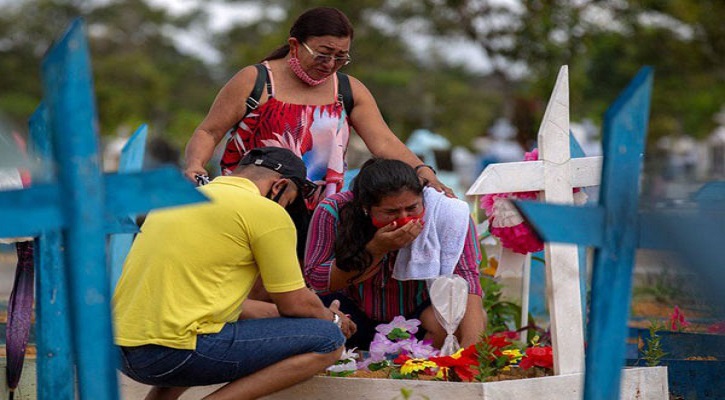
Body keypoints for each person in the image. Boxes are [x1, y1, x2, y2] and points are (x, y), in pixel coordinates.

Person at [113, 147, 356, 400]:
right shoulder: (264, 211)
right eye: (289, 201)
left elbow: (241, 308)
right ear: (279, 186)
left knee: (196, 327)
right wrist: (332, 320)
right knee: (328, 340)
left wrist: (316, 316)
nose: (285, 208)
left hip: (121, 351)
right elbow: (294, 303)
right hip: (173, 354)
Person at [183, 6, 452, 206]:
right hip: (250, 207)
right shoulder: (255, 81)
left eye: (340, 57)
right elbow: (209, 132)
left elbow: (383, 141)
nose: (330, 64)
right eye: (323, 55)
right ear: (294, 45)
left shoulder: (347, 90)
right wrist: (195, 165)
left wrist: (422, 170)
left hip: (318, 215)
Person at [304, 158, 486, 350]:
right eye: (391, 212)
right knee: (317, 321)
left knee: (462, 319)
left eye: (412, 208)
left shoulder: (447, 212)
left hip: (416, 317)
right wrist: (376, 250)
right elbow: (317, 279)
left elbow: (467, 279)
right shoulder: (333, 210)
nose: (404, 219)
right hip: (351, 315)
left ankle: (422, 359)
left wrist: (471, 349)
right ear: (366, 208)